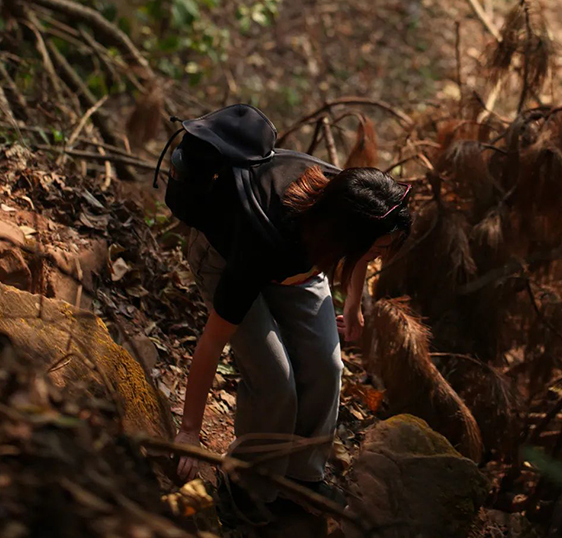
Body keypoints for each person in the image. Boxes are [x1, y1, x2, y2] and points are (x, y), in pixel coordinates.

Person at [160, 104, 412, 519]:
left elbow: (364, 247)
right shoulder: (264, 242)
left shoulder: (346, 199)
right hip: (228, 257)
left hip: (301, 263)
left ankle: (299, 479)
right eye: (379, 249)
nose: (380, 256)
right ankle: (245, 484)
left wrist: (352, 300)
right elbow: (211, 343)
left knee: (326, 365)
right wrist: (189, 431)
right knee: (275, 379)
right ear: (349, 236)